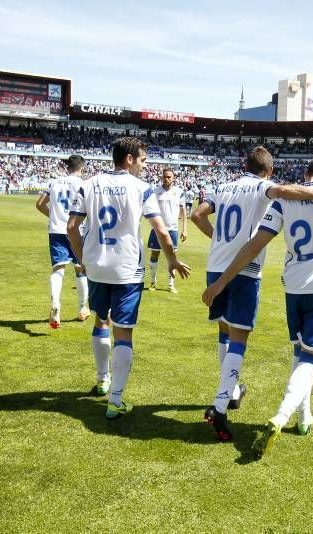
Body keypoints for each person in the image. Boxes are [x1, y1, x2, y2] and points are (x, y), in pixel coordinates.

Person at [202, 157, 313, 459]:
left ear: (306, 175)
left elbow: (254, 245)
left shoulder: (285, 201)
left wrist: (219, 283)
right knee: (310, 358)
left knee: (300, 352)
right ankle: (282, 415)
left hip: (294, 285)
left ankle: (303, 416)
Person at [67, 137, 190, 419]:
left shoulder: (89, 183)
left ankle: (102, 380)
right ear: (130, 159)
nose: (145, 167)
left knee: (100, 320)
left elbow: (72, 226)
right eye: (144, 161)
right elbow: (160, 231)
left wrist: (83, 259)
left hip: (96, 265)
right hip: (127, 269)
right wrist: (172, 259)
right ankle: (116, 400)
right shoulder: (141, 188)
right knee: (123, 331)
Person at [35, 155, 90, 329]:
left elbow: (39, 204)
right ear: (82, 167)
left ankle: (56, 303)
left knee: (58, 269)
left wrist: (53, 217)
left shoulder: (54, 182)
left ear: (67, 167)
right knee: (81, 270)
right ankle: (82, 308)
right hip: (76, 230)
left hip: (56, 230)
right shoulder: (84, 184)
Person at [147, 168, 187, 293]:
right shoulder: (155, 191)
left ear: (174, 178)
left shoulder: (179, 192)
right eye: (165, 176)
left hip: (172, 229)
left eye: (169, 177)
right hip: (158, 229)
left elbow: (184, 212)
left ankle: (171, 284)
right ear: (161, 177)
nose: (167, 179)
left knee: (173, 257)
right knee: (154, 255)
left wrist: (185, 229)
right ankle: (153, 282)